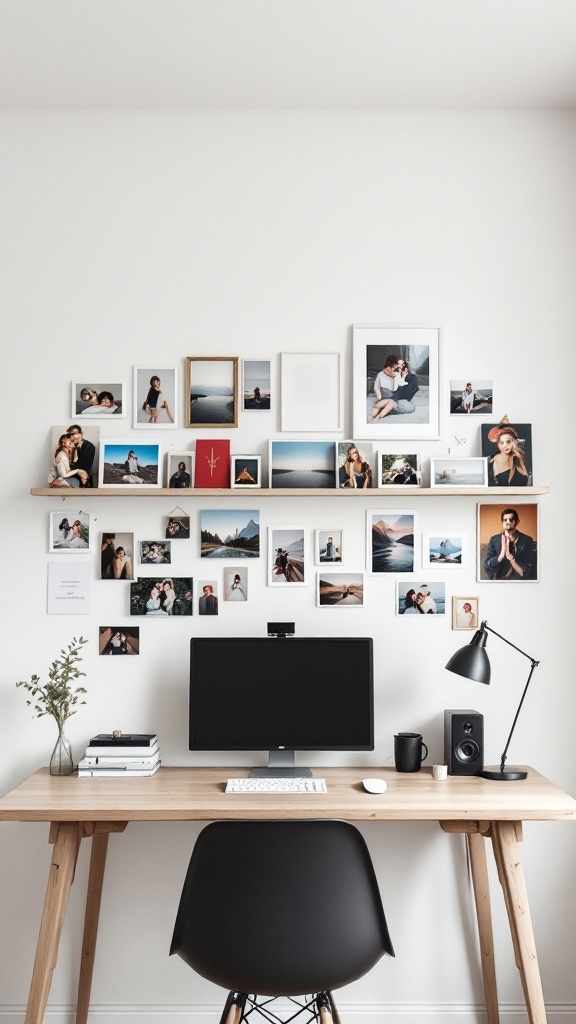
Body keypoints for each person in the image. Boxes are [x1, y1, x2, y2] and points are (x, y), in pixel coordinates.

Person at [483, 508, 536, 580]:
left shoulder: (527, 541)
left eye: (511, 520)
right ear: (502, 522)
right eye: (505, 520)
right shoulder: (494, 540)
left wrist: (511, 558)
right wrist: (501, 555)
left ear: (517, 522)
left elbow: (529, 570)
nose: (508, 523)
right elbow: (487, 566)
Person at [371, 356, 416, 420]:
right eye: (397, 364)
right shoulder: (395, 374)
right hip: (390, 396)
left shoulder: (383, 373)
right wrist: (403, 377)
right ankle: (374, 418)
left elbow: (376, 387)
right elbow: (398, 386)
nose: (397, 366)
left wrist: (379, 396)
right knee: (386, 404)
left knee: (380, 406)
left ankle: (373, 417)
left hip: (385, 395)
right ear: (393, 364)